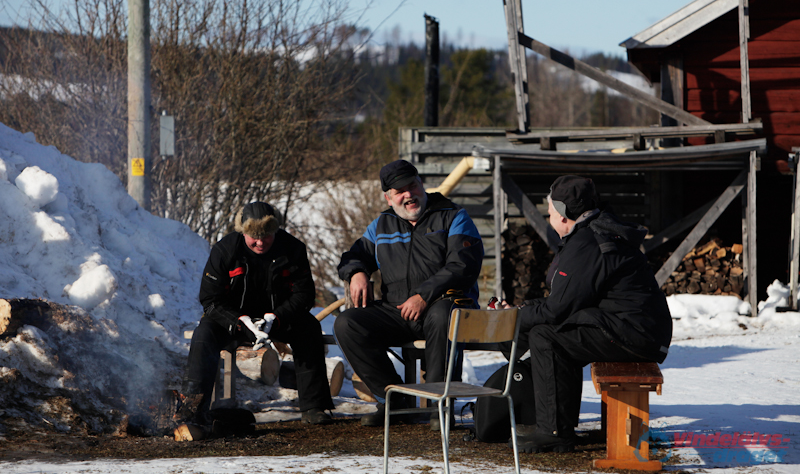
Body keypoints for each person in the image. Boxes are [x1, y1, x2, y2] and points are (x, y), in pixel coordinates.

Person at [512, 175, 672, 453]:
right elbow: (570, 300)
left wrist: (513, 319)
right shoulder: (597, 231)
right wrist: (525, 310)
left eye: (550, 212)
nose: (549, 217)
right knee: (554, 335)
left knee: (544, 337)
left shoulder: (587, 242)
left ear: (563, 215)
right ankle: (560, 426)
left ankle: (555, 432)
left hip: (634, 333)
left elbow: (557, 309)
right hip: (637, 329)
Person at [334, 160, 484, 429]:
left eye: (412, 185)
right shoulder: (382, 224)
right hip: (398, 310)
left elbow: (463, 265)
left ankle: (441, 406)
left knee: (442, 316)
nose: (408, 194)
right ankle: (394, 400)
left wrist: (424, 295)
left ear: (421, 184)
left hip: (443, 305)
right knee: (348, 323)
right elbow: (353, 255)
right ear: (388, 197)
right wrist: (356, 272)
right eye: (399, 191)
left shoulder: (453, 215)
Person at [176, 201, 334, 427]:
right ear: (243, 232)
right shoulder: (225, 250)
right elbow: (210, 299)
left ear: (275, 231)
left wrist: (275, 318)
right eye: (254, 237)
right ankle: (192, 409)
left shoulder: (294, 249)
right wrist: (239, 321)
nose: (260, 242)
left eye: (267, 236)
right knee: (204, 333)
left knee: (309, 328)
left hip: (278, 319)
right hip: (235, 319)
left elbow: (304, 295)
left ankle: (314, 407)